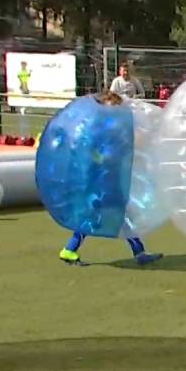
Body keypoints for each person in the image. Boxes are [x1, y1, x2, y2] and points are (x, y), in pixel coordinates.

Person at [59, 92, 163, 266]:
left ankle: (139, 252)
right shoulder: (99, 127)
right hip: (100, 181)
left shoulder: (114, 127)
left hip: (109, 179)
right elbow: (94, 152)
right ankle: (69, 250)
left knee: (120, 215)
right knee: (101, 215)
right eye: (113, 107)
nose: (116, 111)